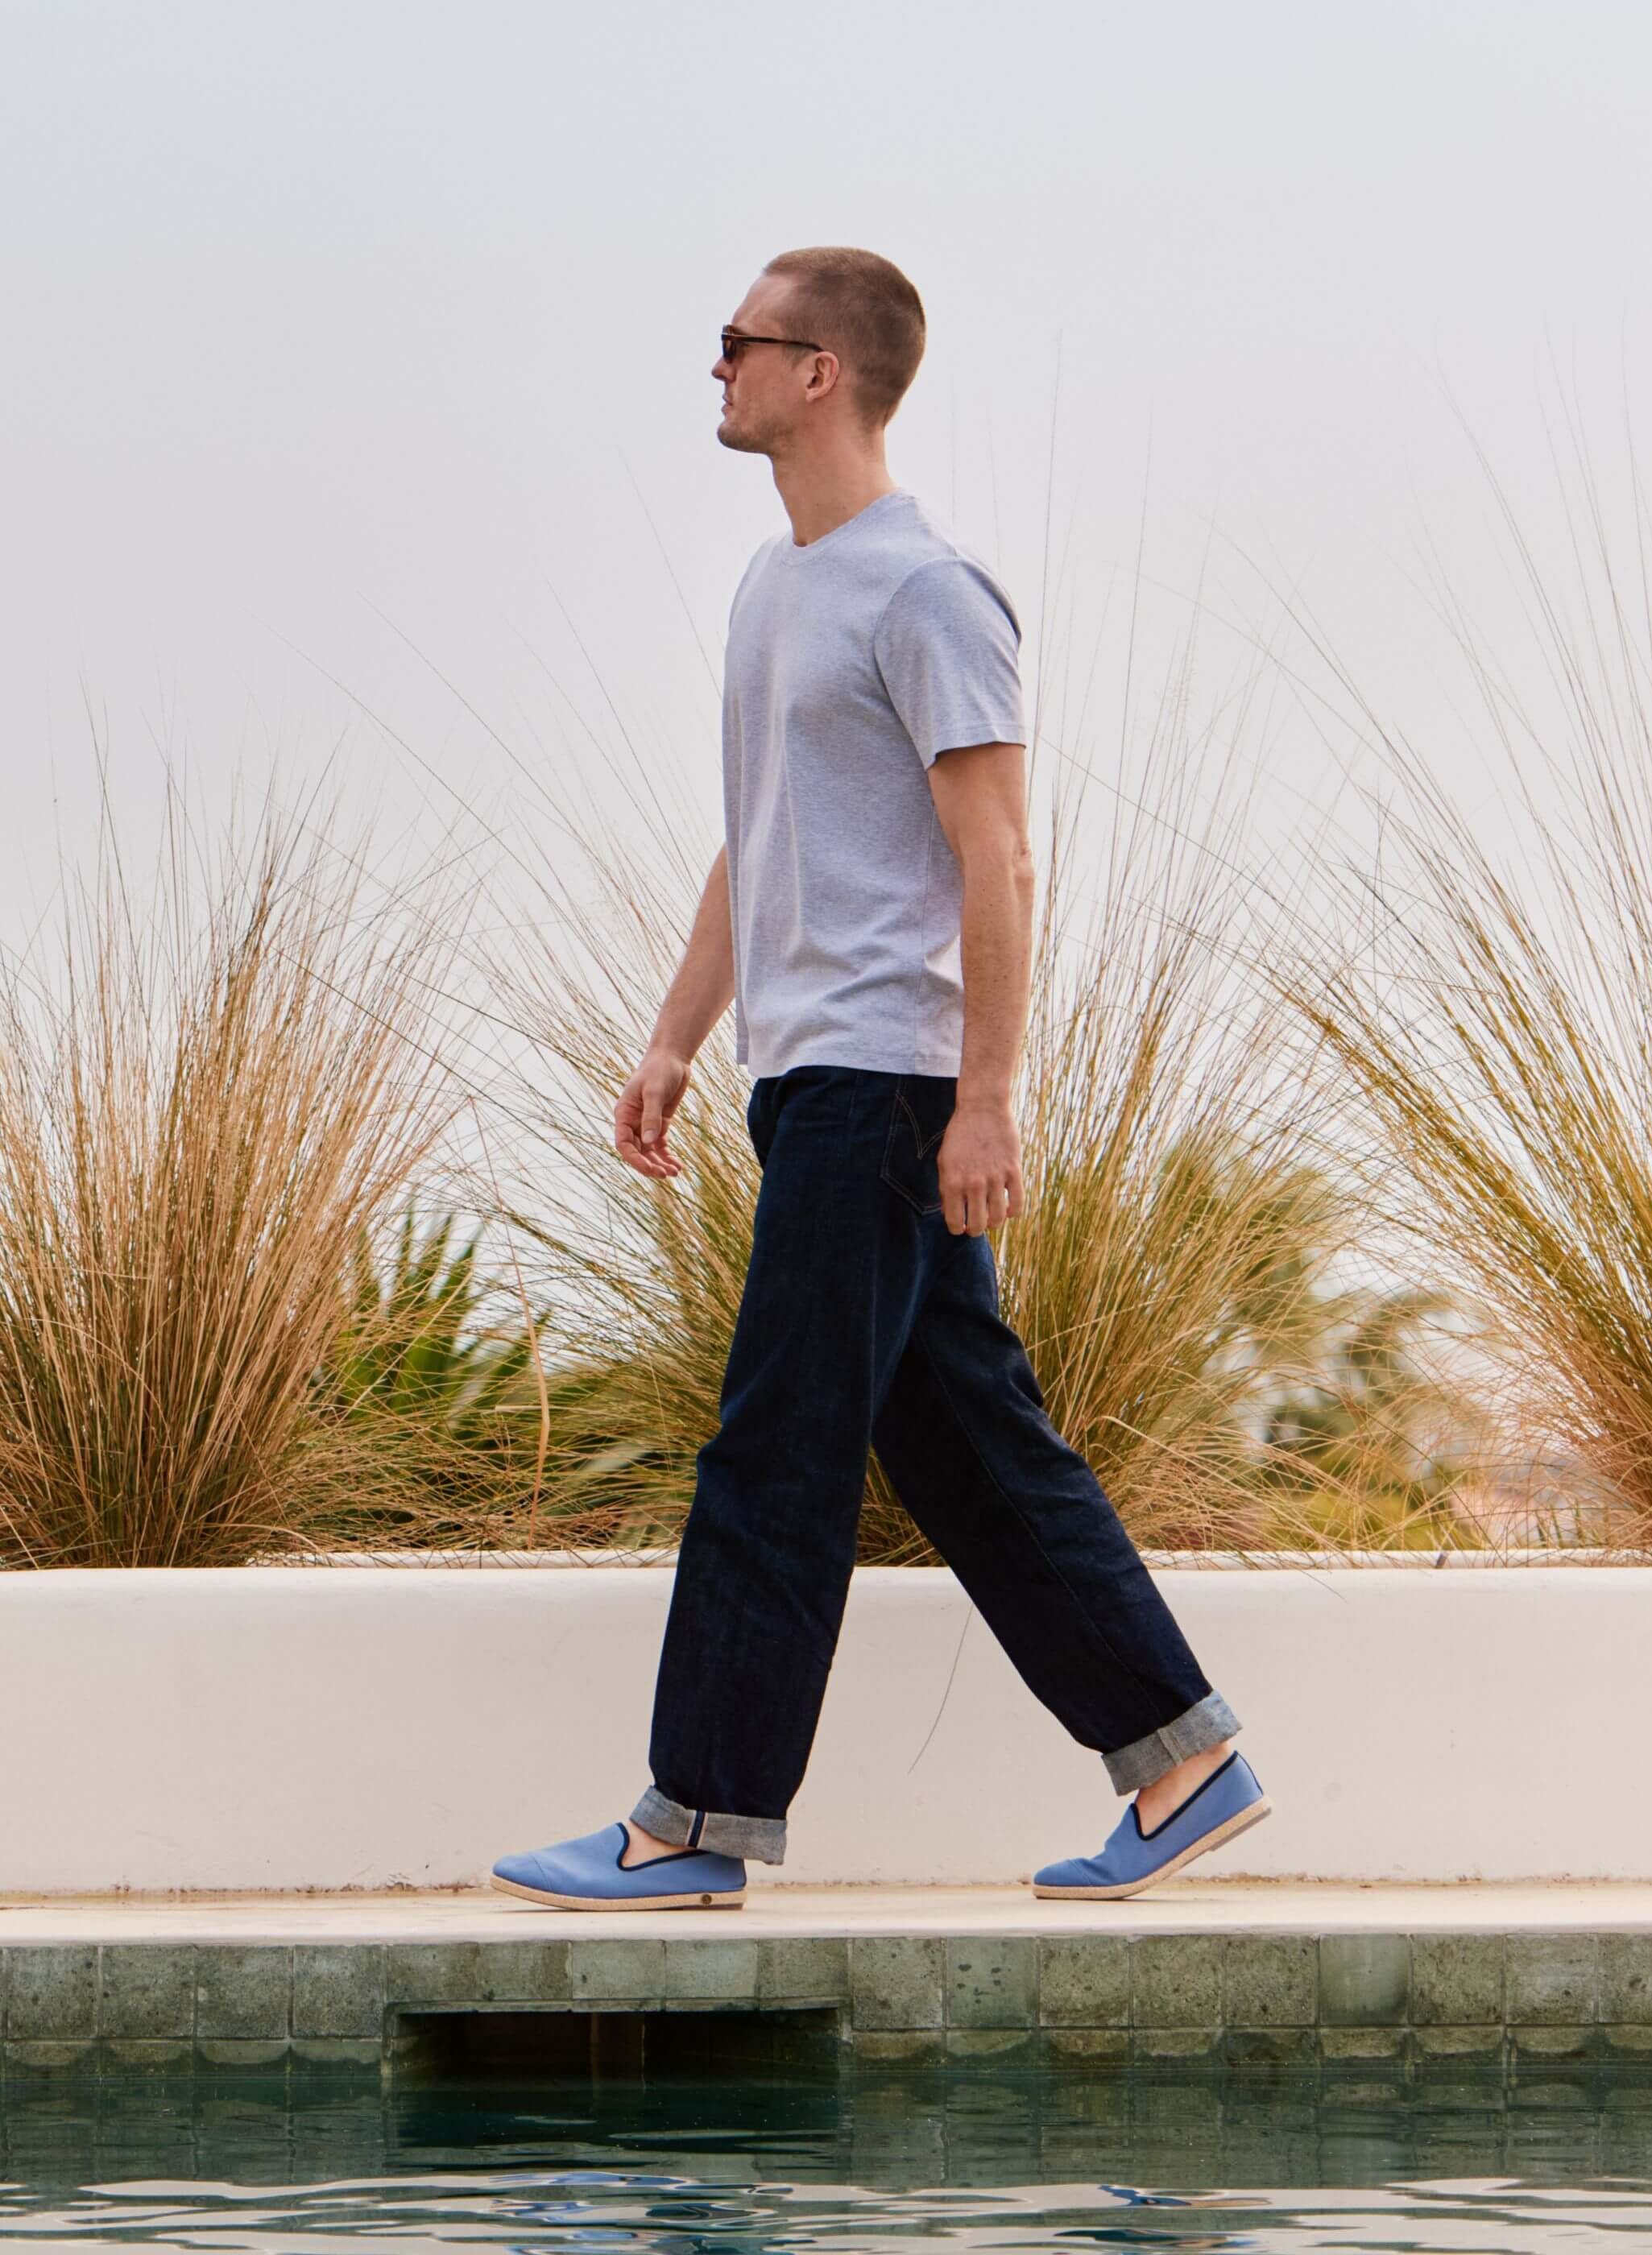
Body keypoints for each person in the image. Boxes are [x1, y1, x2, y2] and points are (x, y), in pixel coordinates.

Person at [492, 246, 1268, 1912]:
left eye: (738, 345)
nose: (717, 371)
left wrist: (988, 1097)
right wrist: (677, 1033)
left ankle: (693, 1819)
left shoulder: (930, 591)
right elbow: (757, 833)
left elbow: (1000, 858)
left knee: (775, 1444)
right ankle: (1183, 1752)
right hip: (810, 1078)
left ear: (822, 371)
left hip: (887, 1088)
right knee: (972, 1446)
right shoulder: (779, 589)